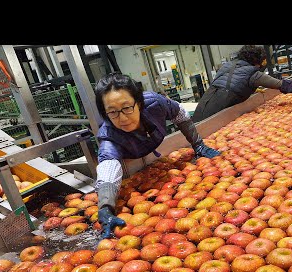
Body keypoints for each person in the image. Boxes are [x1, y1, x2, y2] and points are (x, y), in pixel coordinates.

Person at [94, 72, 220, 238]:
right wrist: (105, 207)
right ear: (105, 113)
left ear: (138, 103)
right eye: (112, 112)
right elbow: (108, 166)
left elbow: (179, 113)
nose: (122, 117)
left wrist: (199, 145)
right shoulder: (109, 136)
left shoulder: (155, 104)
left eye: (127, 107)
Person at [191, 45, 292, 123]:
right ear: (257, 61)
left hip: (204, 105)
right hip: (218, 111)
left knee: (198, 128)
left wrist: (249, 89)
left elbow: (227, 84)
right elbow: (281, 85)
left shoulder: (228, 65)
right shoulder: (253, 73)